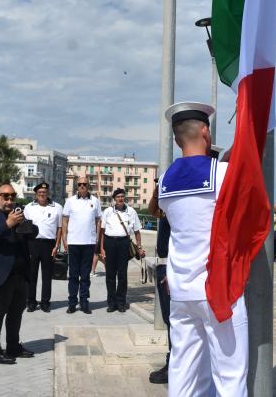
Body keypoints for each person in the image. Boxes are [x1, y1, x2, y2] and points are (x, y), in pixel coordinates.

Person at [149, 101, 247, 397]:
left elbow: (156, 208)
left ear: (177, 139)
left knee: (184, 370)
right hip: (218, 289)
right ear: (205, 132)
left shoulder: (165, 181)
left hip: (180, 290)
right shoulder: (222, 173)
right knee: (229, 373)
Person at [0, 183, 36, 365]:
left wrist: (26, 225)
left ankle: (13, 346)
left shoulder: (19, 215)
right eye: (5, 196)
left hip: (19, 275)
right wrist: (7, 224)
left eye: (12, 196)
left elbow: (34, 232)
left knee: (16, 313)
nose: (9, 200)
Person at [99, 188, 145, 312]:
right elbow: (102, 232)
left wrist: (139, 247)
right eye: (118, 197)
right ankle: (111, 303)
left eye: (122, 196)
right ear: (114, 199)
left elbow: (137, 231)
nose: (120, 198)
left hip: (124, 243)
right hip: (110, 243)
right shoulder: (108, 211)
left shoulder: (131, 211)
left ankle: (121, 303)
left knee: (122, 275)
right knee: (110, 275)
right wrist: (102, 248)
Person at [62, 175, 101, 314]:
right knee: (73, 275)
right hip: (73, 242)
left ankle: (84, 302)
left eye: (85, 184)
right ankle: (72, 302)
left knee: (85, 276)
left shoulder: (95, 201)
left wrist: (96, 238)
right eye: (80, 184)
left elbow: (98, 221)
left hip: (88, 243)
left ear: (88, 186)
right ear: (76, 186)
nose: (82, 186)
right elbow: (65, 220)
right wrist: (64, 239)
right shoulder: (70, 201)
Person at [24, 182, 63, 313]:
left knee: (47, 276)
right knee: (31, 275)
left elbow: (59, 228)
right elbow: (24, 228)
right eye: (40, 192)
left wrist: (56, 246)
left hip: (49, 245)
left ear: (48, 194)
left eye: (44, 193)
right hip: (32, 244)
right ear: (36, 194)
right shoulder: (29, 207)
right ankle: (31, 302)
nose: (42, 195)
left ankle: (45, 302)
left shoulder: (57, 207)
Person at [148, 182, 171, 385]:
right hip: (164, 266)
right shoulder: (167, 206)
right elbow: (152, 211)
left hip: (172, 268)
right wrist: (157, 193)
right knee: (169, 319)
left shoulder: (178, 205)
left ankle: (174, 364)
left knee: (175, 322)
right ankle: (174, 362)